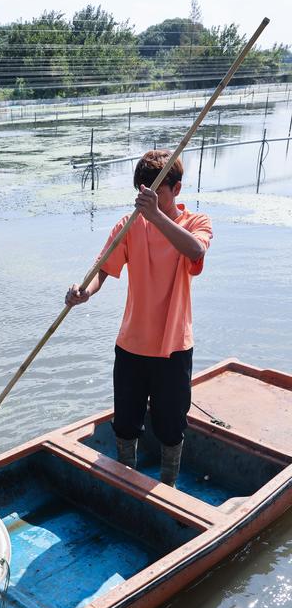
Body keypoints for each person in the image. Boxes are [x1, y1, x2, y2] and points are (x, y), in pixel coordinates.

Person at [65, 149, 213, 486]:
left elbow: (196, 251)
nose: (146, 198)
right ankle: (126, 481)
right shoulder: (129, 225)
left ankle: (169, 487)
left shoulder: (196, 224)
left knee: (171, 427)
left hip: (173, 347)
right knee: (126, 424)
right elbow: (104, 268)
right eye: (142, 191)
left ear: (176, 188)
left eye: (156, 191)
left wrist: (157, 216)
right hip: (132, 344)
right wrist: (85, 291)